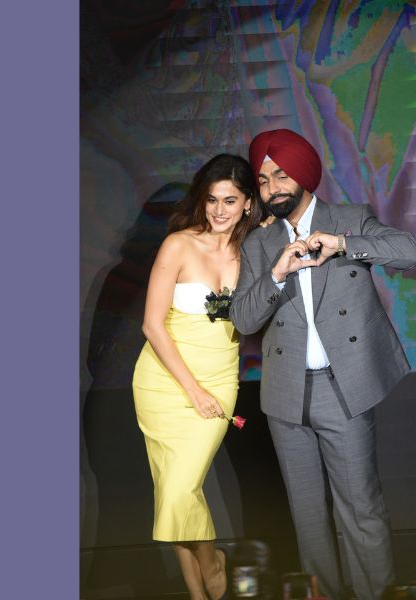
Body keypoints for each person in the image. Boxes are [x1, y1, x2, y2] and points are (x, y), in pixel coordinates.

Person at [230, 129, 416, 600]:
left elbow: (408, 252)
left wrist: (341, 243)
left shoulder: (348, 219)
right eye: (263, 180)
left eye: (281, 175)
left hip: (343, 388)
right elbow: (244, 319)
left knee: (360, 509)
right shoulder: (259, 244)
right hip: (285, 394)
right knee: (308, 518)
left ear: (304, 173)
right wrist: (277, 273)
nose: (272, 188)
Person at [132, 153, 263, 600]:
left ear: (248, 203)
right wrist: (192, 390)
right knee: (173, 488)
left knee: (180, 488)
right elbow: (152, 325)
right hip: (164, 381)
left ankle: (212, 563)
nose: (219, 210)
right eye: (211, 200)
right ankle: (197, 589)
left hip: (220, 378)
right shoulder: (179, 245)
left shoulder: (254, 251)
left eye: (230, 200)